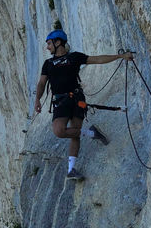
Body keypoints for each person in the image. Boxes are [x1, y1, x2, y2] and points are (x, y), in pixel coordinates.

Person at [34, 28, 134, 180]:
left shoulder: (74, 57)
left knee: (75, 131)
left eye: (49, 43)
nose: (47, 47)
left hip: (76, 98)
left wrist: (120, 56)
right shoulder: (48, 64)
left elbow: (97, 59)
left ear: (58, 42)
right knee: (59, 131)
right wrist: (37, 99)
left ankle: (71, 169)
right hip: (60, 101)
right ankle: (93, 134)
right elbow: (42, 83)